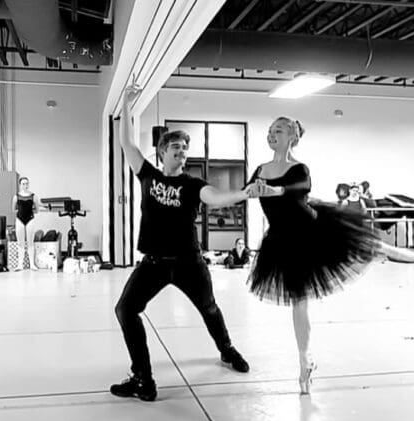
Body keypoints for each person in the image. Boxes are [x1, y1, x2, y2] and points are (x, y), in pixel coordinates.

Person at [110, 84, 272, 402]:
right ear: (162, 153)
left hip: (188, 263)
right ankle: (143, 379)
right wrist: (128, 105)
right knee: (125, 310)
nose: (182, 153)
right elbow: (127, 142)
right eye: (176, 149)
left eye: (185, 149)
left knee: (209, 308)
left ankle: (227, 350)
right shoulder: (148, 175)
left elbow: (216, 197)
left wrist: (244, 192)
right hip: (153, 263)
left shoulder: (192, 184)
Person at [248, 117, 380, 395]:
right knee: (298, 300)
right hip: (280, 240)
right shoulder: (261, 168)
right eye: (269, 131)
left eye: (278, 131)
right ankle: (305, 361)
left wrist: (275, 190)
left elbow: (301, 188)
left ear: (292, 137)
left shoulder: (299, 169)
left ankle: (303, 359)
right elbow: (248, 191)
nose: (271, 134)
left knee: (301, 300)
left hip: (309, 232)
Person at [12, 176, 39, 271]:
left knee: (30, 243)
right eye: (23, 184)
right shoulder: (16, 196)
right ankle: (20, 264)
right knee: (20, 244)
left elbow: (37, 210)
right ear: (20, 185)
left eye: (27, 183)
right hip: (19, 220)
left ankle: (32, 264)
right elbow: (13, 209)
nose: (25, 185)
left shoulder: (33, 196)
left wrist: (29, 212)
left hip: (30, 220)